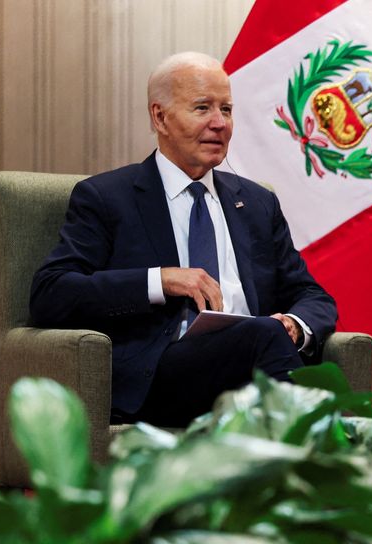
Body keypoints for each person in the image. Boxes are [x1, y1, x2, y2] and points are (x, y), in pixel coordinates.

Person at [30, 52, 337, 427]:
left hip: (253, 365)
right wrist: (160, 280)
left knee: (266, 335)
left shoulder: (257, 202)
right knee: (263, 336)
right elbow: (51, 294)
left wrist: (293, 323)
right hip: (161, 375)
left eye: (226, 109)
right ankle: (340, 461)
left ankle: (317, 459)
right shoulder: (108, 197)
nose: (219, 124)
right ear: (160, 117)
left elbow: (313, 296)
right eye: (202, 108)